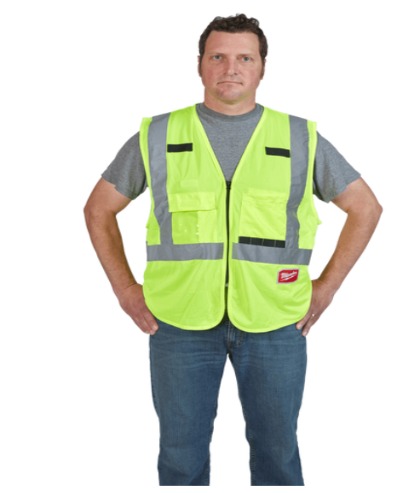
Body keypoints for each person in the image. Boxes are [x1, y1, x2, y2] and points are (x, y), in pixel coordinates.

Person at [84, 13, 382, 486]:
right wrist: (124, 288)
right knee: (180, 458)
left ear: (262, 67)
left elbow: (366, 207)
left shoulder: (298, 138)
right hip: (178, 320)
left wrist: (326, 288)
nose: (231, 68)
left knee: (278, 455)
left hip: (275, 320)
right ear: (199, 65)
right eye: (217, 57)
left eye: (245, 58)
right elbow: (98, 209)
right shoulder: (158, 135)